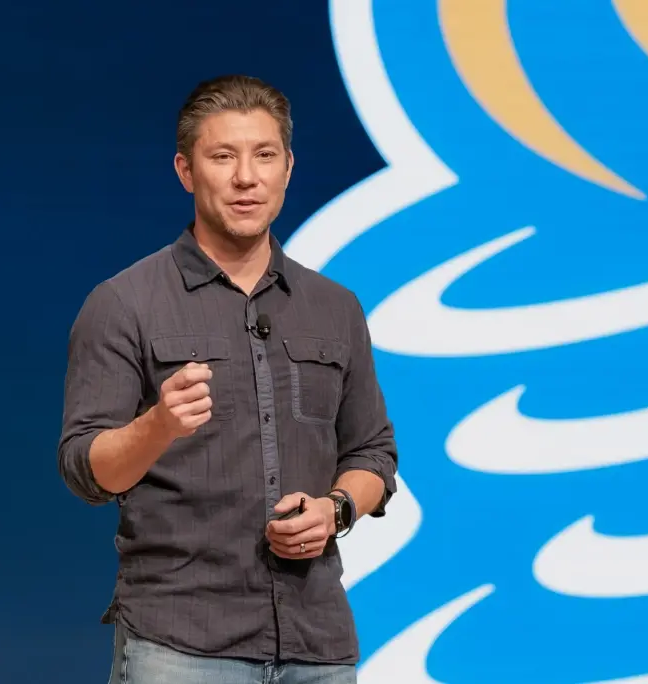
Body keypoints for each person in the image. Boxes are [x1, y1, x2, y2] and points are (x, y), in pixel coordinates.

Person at [57, 74, 399, 684]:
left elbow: (373, 453)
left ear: (288, 168)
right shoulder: (123, 304)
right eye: (222, 157)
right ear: (186, 171)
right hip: (180, 645)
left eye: (264, 155)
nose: (246, 177)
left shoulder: (335, 307)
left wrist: (335, 509)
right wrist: (158, 426)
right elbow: (87, 471)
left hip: (316, 645)